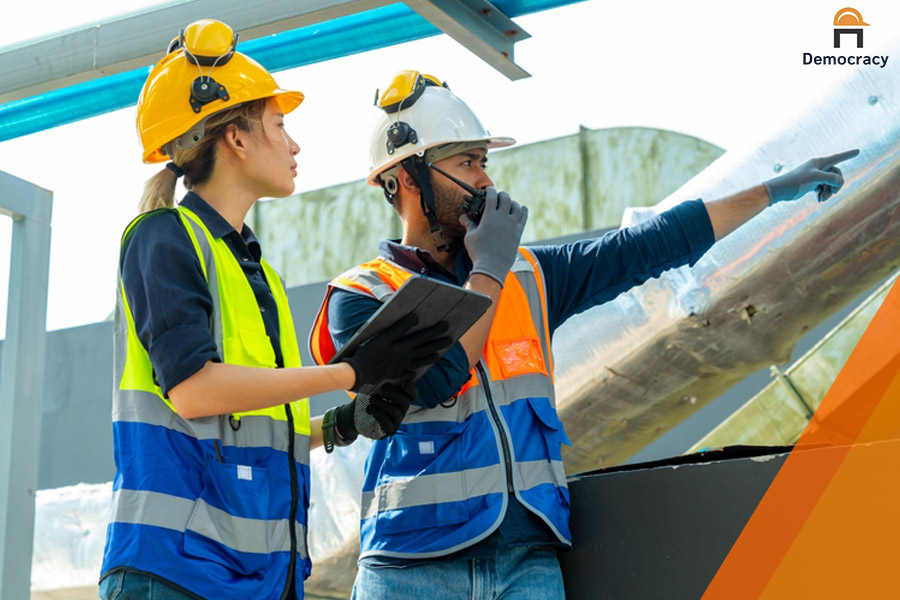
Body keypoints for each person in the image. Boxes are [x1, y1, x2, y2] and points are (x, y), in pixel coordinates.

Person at [307, 70, 859, 599]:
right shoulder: (363, 297)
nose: (486, 180)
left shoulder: (529, 276)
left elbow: (647, 246)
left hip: (527, 561)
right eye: (469, 162)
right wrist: (490, 268)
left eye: (484, 161)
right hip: (412, 569)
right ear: (407, 177)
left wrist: (768, 190)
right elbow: (440, 379)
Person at [99, 29, 451, 600]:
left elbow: (248, 427)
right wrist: (352, 374)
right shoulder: (163, 238)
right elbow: (194, 391)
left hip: (255, 578)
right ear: (235, 136)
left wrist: (339, 425)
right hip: (176, 574)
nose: (294, 145)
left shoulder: (255, 271)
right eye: (280, 125)